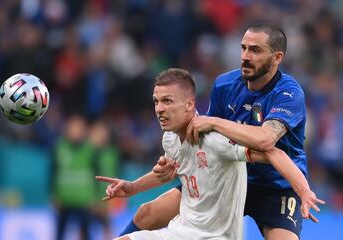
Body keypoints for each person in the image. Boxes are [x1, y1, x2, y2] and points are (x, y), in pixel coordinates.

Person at [116, 24, 322, 240]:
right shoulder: (225, 84)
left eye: (255, 50)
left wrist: (214, 122)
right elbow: (204, 140)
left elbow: (265, 139)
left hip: (276, 186)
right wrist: (177, 161)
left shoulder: (289, 94)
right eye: (243, 48)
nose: (245, 56)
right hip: (227, 179)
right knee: (147, 213)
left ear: (277, 57)